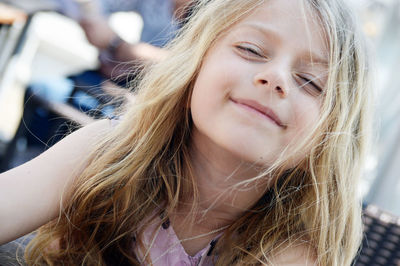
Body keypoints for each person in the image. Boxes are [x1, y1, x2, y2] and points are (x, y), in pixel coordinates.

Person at [0, 0, 373, 265]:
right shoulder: (102, 154)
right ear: (194, 64)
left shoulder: (294, 250)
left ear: (332, 134)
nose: (275, 77)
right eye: (250, 49)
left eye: (310, 82)